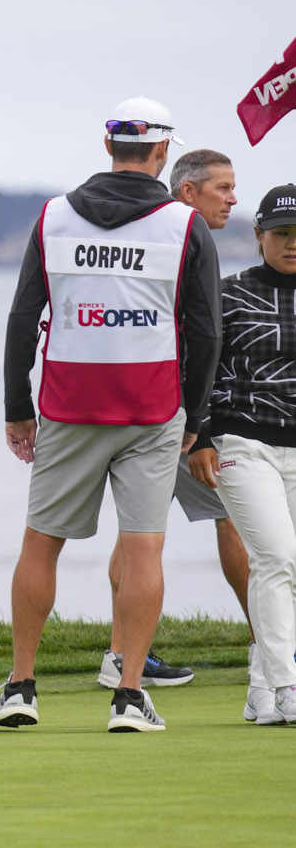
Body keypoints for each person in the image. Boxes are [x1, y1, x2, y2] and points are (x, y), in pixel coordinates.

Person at [0, 97, 221, 733]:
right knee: (144, 548)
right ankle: (129, 696)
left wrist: (16, 408)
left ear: (108, 144)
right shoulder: (184, 224)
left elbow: (20, 319)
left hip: (67, 405)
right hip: (151, 408)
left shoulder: (54, 217)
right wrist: (192, 415)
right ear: (163, 151)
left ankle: (21, 687)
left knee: (42, 541)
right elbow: (206, 332)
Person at [97, 150, 243, 694]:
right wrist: (198, 426)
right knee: (226, 517)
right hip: (172, 417)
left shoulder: (170, 242)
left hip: (160, 412)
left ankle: (120, 655)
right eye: (222, 188)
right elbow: (193, 342)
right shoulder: (177, 245)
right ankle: (272, 647)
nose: (232, 199)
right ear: (187, 193)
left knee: (137, 535)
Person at [188, 184, 296, 725]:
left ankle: (259, 689)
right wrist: (200, 436)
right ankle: (287, 684)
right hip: (242, 443)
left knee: (281, 566)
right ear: (258, 236)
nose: (291, 243)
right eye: (281, 233)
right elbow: (197, 368)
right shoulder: (227, 294)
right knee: (277, 557)